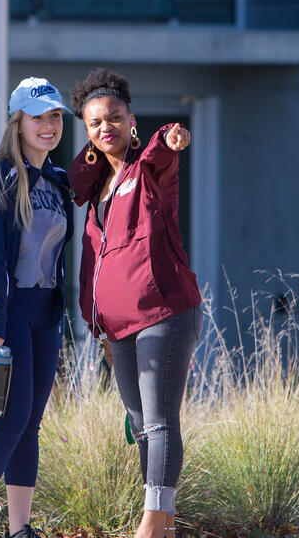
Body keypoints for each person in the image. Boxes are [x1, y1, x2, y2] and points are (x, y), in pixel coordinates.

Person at [67, 68, 202, 538]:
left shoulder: (148, 168)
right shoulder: (97, 185)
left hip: (164, 310)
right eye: (95, 123)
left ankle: (150, 523)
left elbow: (165, 146)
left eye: (115, 118)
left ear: (132, 120)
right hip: (116, 326)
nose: (107, 128)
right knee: (141, 425)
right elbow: (74, 178)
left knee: (161, 420)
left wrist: (171, 136)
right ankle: (163, 526)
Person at [0, 77, 74, 538]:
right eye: (39, 116)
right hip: (4, 313)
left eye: (55, 116)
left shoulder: (58, 180)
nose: (48, 125)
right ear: (18, 121)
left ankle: (19, 529)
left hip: (45, 311)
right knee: (9, 417)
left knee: (31, 422)